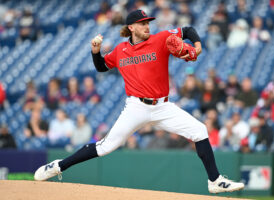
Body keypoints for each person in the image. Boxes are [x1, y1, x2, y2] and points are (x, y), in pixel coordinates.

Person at [34, 9, 244, 193]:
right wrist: (95, 52)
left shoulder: (161, 38)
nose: (147, 26)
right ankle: (59, 166)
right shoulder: (120, 51)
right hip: (136, 107)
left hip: (163, 106)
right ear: (131, 27)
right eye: (142, 23)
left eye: (148, 22)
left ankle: (215, 181)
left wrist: (196, 46)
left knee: (199, 131)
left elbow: (187, 30)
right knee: (105, 147)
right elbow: (101, 67)